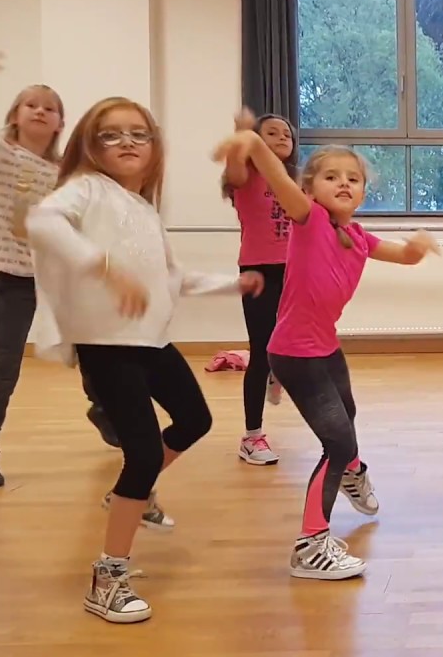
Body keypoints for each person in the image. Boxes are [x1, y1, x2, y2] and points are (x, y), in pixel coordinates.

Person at [26, 96, 264, 623]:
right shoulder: (86, 189)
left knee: (195, 419)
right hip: (107, 345)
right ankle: (107, 576)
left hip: (150, 340)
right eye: (111, 134)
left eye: (139, 133)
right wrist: (103, 266)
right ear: (90, 146)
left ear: (155, 147)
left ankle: (135, 493)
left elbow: (172, 278)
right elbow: (42, 221)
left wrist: (231, 284)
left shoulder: (142, 208)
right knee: (140, 453)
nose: (127, 142)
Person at [213, 118, 439, 580]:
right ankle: (311, 545)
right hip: (294, 354)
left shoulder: (359, 236)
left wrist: (418, 246)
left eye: (353, 179)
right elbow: (272, 173)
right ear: (309, 188)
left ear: (363, 193)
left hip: (325, 347)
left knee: (347, 416)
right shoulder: (308, 218)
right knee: (336, 442)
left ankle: (353, 470)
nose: (343, 184)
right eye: (331, 176)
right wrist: (251, 141)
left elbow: (404, 256)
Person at [0, 50, 117, 489]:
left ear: (60, 123)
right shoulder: (1, 152)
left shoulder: (68, 171)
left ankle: (104, 411)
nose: (40, 111)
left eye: (50, 108)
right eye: (31, 104)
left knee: (95, 354)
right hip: (15, 280)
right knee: (3, 367)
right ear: (16, 116)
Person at [221, 109, 298, 465]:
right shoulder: (247, 176)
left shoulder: (295, 179)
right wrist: (241, 136)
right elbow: (235, 169)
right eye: (272, 132)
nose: (282, 137)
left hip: (296, 269)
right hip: (259, 271)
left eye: (287, 133)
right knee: (260, 351)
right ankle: (252, 438)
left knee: (294, 341)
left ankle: (276, 371)